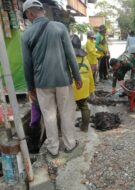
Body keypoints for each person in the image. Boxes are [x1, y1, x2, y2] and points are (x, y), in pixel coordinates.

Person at [22, 0, 82, 157]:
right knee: (66, 112)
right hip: (63, 79)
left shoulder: (26, 34)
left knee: (48, 115)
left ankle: (53, 148)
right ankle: (70, 144)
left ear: (30, 13)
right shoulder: (60, 27)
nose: (27, 19)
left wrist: (30, 87)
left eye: (26, 16)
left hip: (41, 82)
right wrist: (77, 76)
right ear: (41, 10)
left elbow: (27, 64)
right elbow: (70, 55)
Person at [71, 34, 95, 132]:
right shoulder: (84, 59)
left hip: (72, 85)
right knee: (84, 106)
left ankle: (67, 130)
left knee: (67, 109)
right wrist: (92, 89)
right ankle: (85, 127)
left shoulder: (67, 58)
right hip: (84, 85)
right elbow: (90, 75)